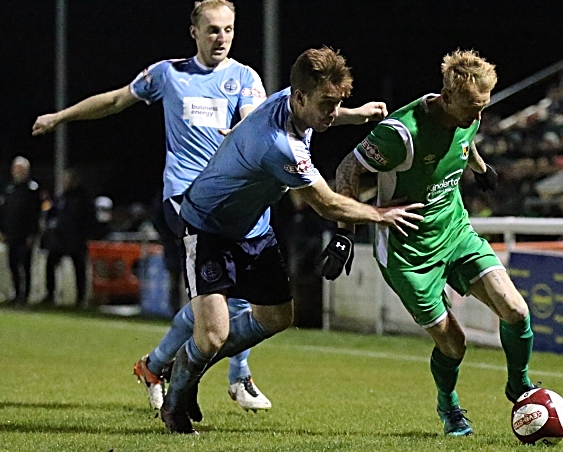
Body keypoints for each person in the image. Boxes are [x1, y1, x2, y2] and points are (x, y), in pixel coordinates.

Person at [160, 46, 423, 434]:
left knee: (278, 317)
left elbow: (322, 118)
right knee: (213, 333)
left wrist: (354, 115)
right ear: (300, 97)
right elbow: (327, 203)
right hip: (208, 227)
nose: (332, 112)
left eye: (337, 103)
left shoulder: (292, 100)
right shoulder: (279, 144)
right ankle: (175, 400)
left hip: (253, 228)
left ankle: (192, 365)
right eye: (327, 103)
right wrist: (380, 215)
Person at [32, 0, 277, 413]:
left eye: (229, 30)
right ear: (194, 32)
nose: (222, 38)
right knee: (222, 294)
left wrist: (244, 131)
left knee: (222, 298)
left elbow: (255, 118)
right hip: (183, 199)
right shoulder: (169, 74)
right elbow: (114, 101)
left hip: (229, 197)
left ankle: (157, 365)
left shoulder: (244, 77)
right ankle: (237, 376)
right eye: (213, 29)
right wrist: (60, 117)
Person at [326, 49, 537, 437]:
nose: (478, 116)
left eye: (483, 107)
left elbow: (464, 139)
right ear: (448, 95)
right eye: (473, 107)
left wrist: (480, 167)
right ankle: (449, 406)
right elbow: (348, 167)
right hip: (408, 254)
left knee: (517, 311)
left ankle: (519, 386)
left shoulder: (468, 114)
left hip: (455, 233)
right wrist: (345, 232)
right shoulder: (400, 133)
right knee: (455, 345)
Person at [40, 169, 96, 307]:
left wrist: (85, 235)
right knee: (51, 262)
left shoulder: (83, 198)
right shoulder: (62, 197)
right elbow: (53, 212)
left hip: (76, 238)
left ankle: (81, 298)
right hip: (60, 238)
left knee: (79, 267)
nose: (65, 182)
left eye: (67, 180)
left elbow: (89, 218)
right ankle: (50, 293)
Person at [0, 156, 42, 306]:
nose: (18, 172)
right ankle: (17, 293)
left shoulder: (32, 189)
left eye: (21, 169)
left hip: (25, 235)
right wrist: (2, 231)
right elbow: (3, 212)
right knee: (12, 264)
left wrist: (32, 234)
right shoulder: (9, 189)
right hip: (11, 233)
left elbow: (35, 214)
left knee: (25, 265)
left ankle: (26, 295)